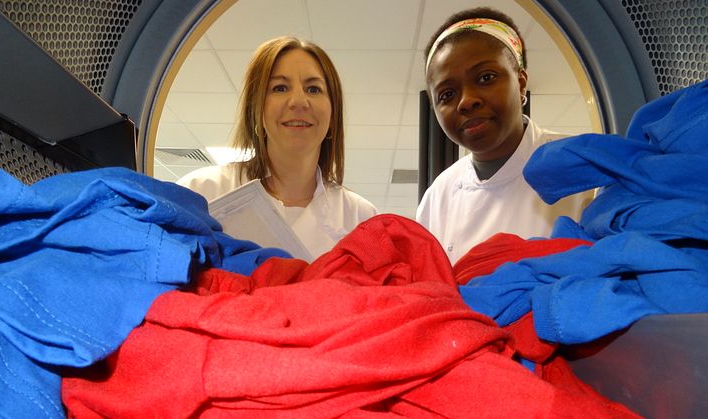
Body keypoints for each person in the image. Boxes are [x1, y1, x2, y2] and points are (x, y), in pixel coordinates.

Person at [416, 7, 592, 265]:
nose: (466, 101)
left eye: (485, 78)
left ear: (521, 84)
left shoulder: (581, 166)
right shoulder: (438, 197)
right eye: (447, 94)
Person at [178, 36, 378, 259]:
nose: (298, 101)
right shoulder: (201, 192)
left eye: (313, 89)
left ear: (333, 114)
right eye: (280, 88)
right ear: (256, 109)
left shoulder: (361, 218)